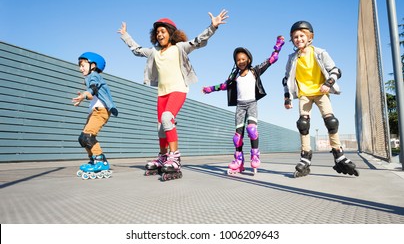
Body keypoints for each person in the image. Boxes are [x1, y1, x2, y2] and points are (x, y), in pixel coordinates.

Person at [118, 10, 229, 181]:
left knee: (167, 118)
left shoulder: (179, 48)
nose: (160, 34)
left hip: (178, 89)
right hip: (162, 93)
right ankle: (163, 157)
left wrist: (212, 27)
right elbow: (137, 50)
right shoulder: (154, 52)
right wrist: (125, 35)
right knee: (160, 127)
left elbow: (199, 41)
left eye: (163, 31)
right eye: (157, 32)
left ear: (171, 33)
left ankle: (175, 157)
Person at [282, 21, 359, 178]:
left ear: (310, 37)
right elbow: (286, 79)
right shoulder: (291, 58)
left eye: (302, 35)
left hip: (320, 92)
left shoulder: (319, 52)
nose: (298, 39)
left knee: (331, 121)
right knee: (303, 124)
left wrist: (328, 83)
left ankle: (338, 154)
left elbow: (335, 70)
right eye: (295, 37)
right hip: (304, 94)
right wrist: (287, 98)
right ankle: (305, 157)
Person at [202, 35, 285, 175]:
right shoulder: (235, 76)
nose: (240, 61)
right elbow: (224, 86)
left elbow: (272, 60)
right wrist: (210, 89)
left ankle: (255, 155)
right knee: (237, 137)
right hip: (240, 106)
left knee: (252, 130)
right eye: (238, 59)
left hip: (251, 104)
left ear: (249, 60)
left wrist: (278, 45)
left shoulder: (255, 71)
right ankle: (239, 161)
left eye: (243, 59)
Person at [73, 52, 118, 180]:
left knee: (88, 136)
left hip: (101, 111)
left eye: (82, 65)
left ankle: (100, 161)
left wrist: (84, 95)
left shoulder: (94, 76)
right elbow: (93, 94)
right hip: (94, 111)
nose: (80, 68)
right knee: (83, 138)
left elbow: (92, 88)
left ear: (93, 65)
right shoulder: (90, 77)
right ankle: (93, 160)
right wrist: (83, 97)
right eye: (79, 66)